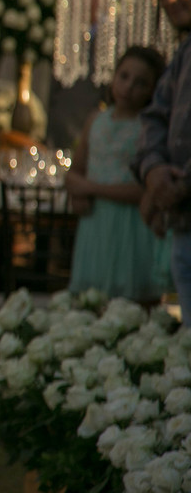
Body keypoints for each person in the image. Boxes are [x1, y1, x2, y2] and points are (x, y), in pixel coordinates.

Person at [68, 45, 171, 301]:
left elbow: (146, 188)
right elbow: (75, 171)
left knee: (132, 302)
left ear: (153, 90)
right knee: (91, 301)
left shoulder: (149, 128)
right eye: (124, 76)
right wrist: (76, 191)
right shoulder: (96, 120)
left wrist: (91, 188)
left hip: (131, 226)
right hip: (96, 224)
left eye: (140, 83)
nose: (128, 87)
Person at [136, 0, 191, 325]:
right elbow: (155, 118)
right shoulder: (182, 56)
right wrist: (154, 172)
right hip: (183, 225)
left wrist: (181, 184)